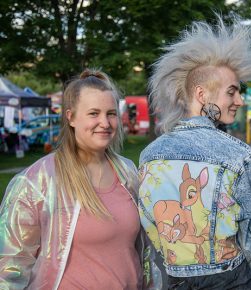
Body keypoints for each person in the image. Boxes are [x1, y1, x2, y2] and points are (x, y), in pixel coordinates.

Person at [138, 15, 251, 290]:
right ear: (201, 94)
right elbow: (248, 235)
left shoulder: (149, 155)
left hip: (177, 278)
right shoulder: (239, 154)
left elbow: (149, 222)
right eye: (231, 92)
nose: (240, 100)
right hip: (233, 277)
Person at [0, 69, 161, 289]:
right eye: (94, 113)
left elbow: (144, 251)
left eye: (111, 113)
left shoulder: (128, 172)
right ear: (71, 117)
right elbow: (10, 265)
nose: (104, 122)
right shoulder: (37, 181)